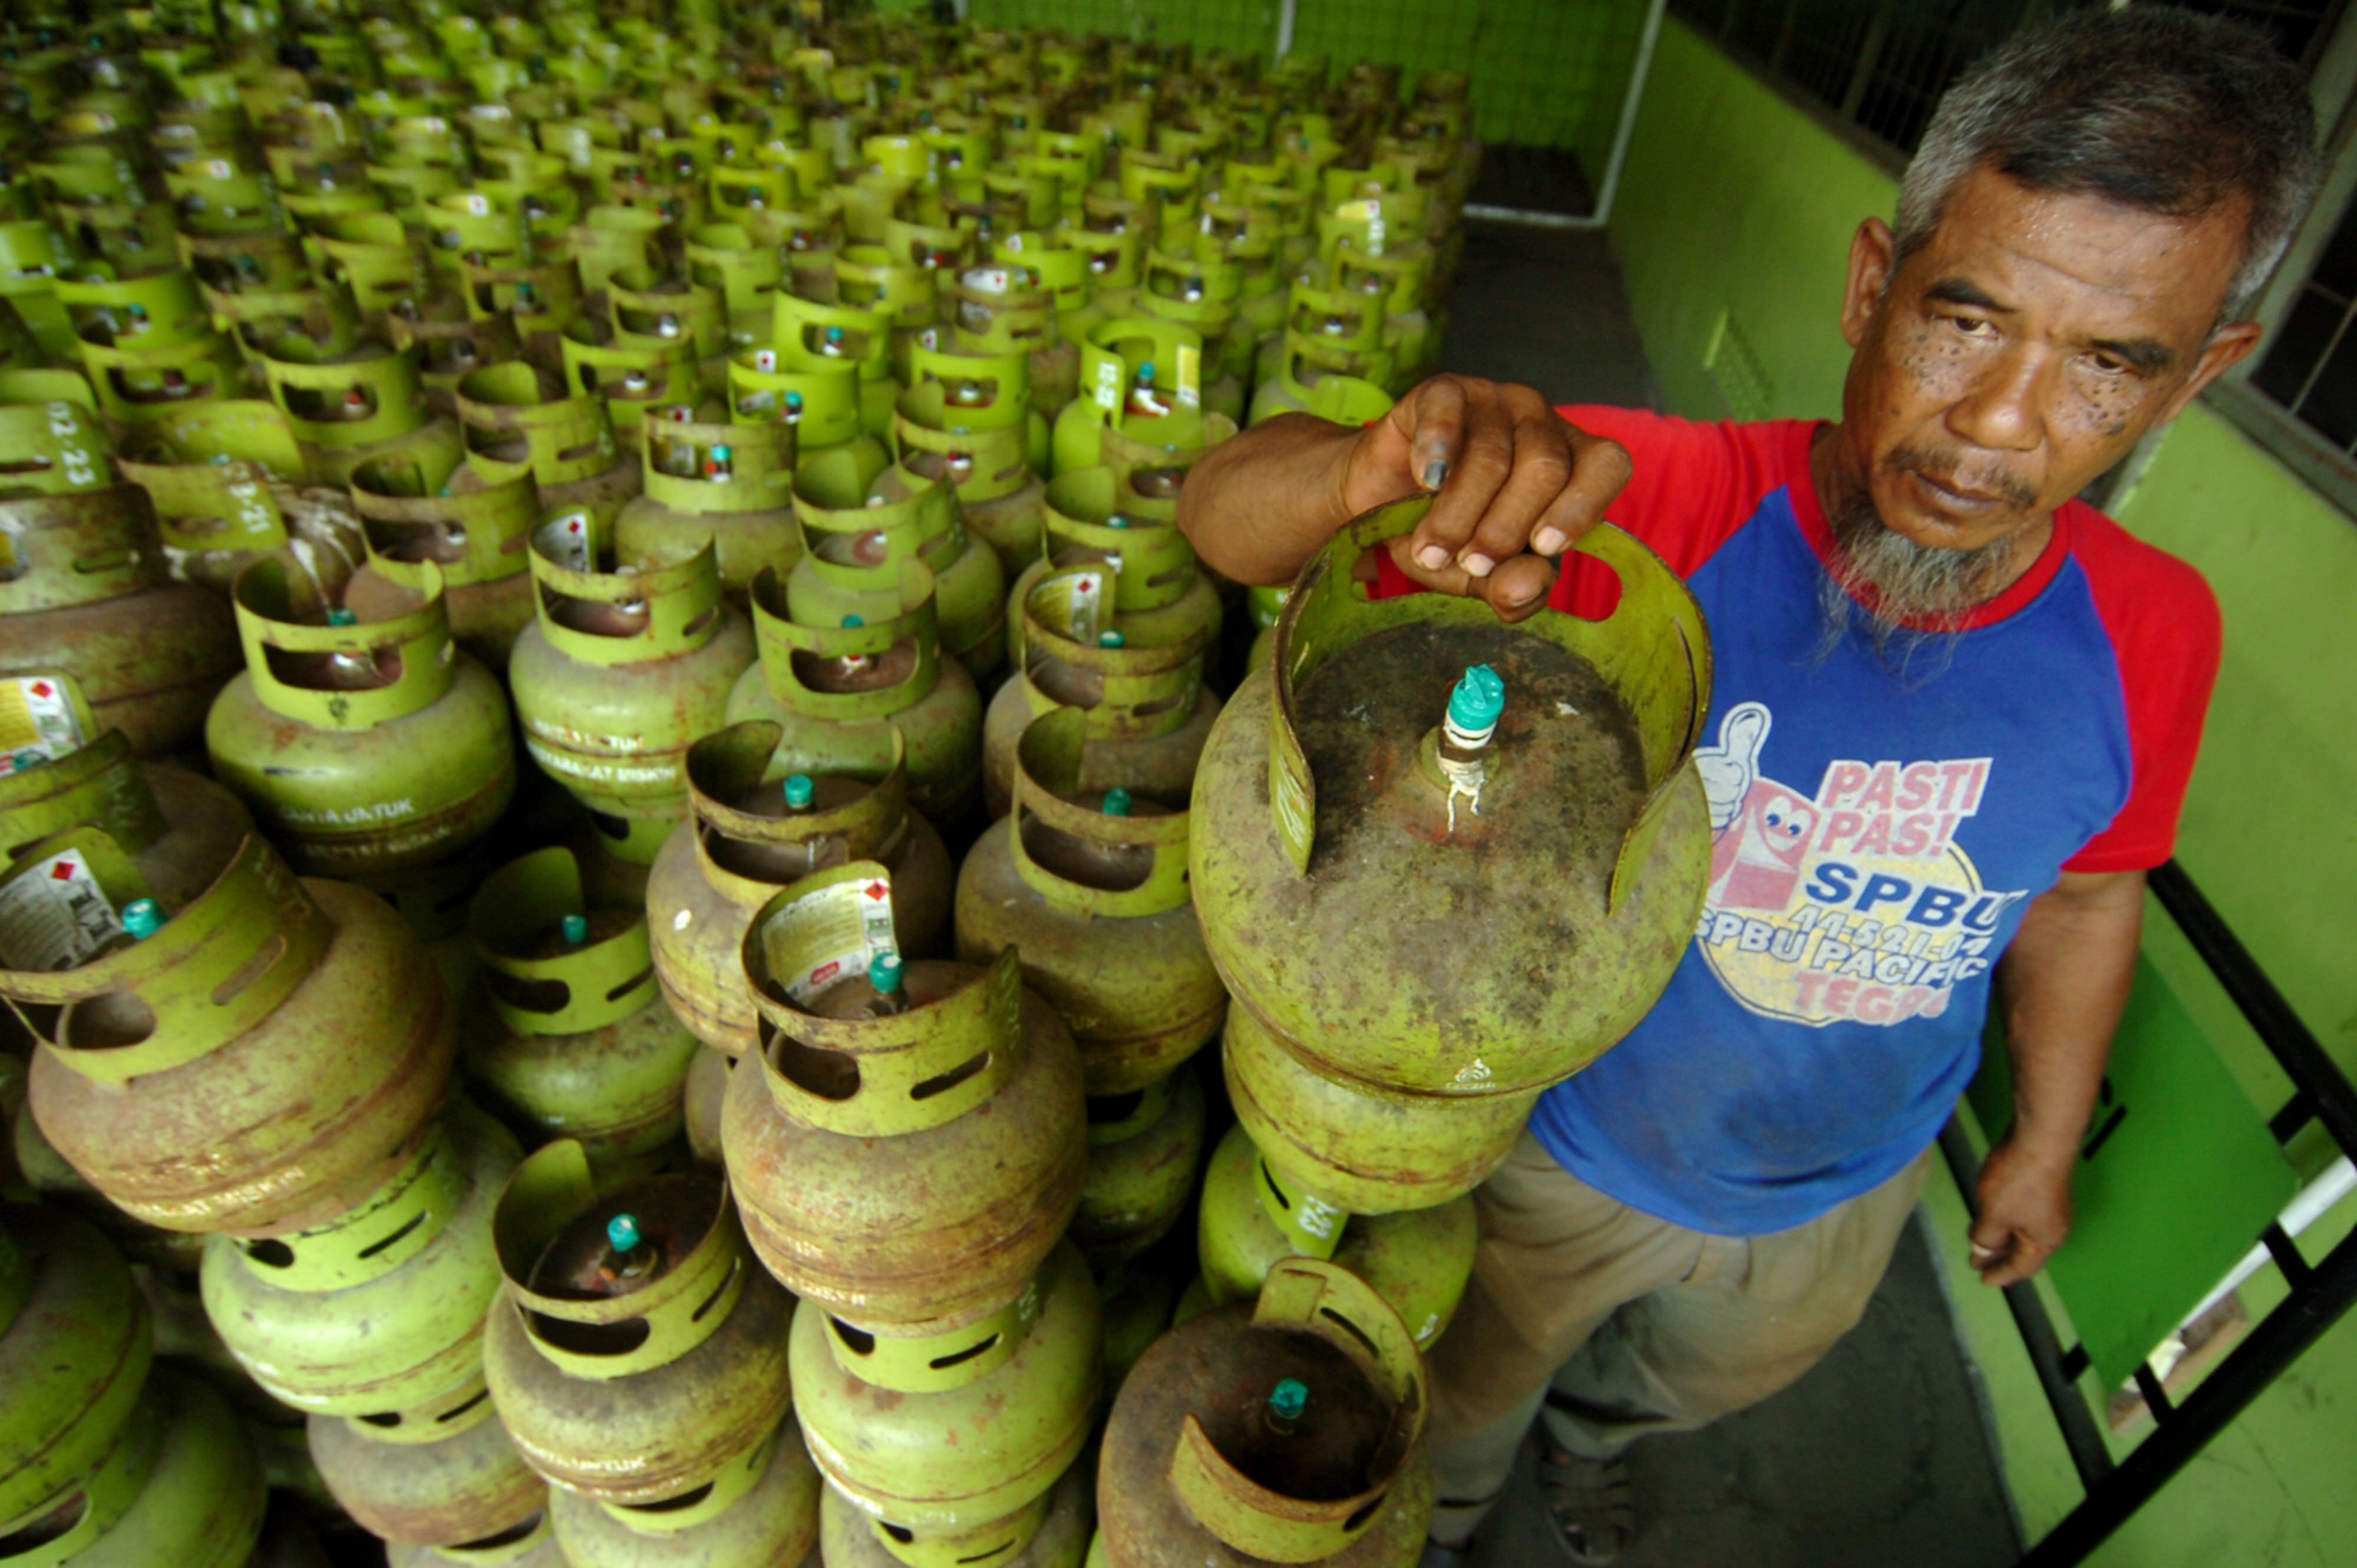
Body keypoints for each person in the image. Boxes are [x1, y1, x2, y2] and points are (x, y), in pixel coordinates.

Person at [1175, 10, 2319, 1563]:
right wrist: (1374, 464)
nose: (1997, 423)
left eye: (2107, 365)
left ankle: (1598, 1450)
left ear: (2201, 377)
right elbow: (1223, 523)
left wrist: (2041, 1144)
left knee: (1687, 1384)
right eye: (1963, 322)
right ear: (1871, 285)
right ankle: (1450, 1512)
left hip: (1844, 1190)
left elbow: (2093, 891)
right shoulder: (1658, 514)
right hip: (1563, 1152)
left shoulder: (2154, 634)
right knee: (1464, 1385)